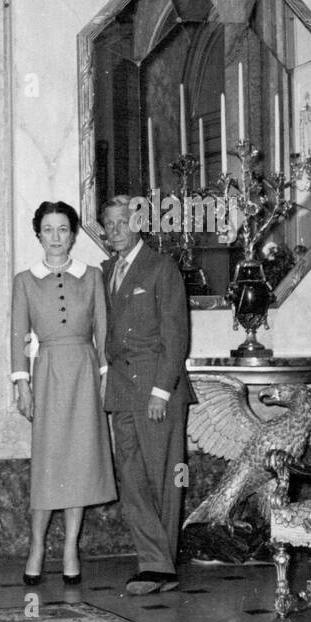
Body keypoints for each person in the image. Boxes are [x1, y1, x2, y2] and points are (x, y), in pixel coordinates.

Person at [10, 201, 116, 586]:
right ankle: (36, 546)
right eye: (48, 230)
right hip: (48, 373)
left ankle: (71, 546)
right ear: (38, 234)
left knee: (80, 462)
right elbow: (19, 335)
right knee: (49, 463)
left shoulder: (91, 277)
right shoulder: (24, 280)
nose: (56, 238)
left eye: (63, 230)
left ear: (73, 235)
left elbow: (102, 331)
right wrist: (21, 382)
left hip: (85, 372)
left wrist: (106, 375)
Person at [100, 195, 196, 595]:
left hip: (158, 391)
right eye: (110, 224)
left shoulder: (161, 267)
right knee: (132, 477)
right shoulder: (106, 270)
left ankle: (160, 566)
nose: (116, 230)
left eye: (123, 222)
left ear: (137, 223)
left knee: (163, 478)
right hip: (121, 392)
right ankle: (153, 562)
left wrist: (160, 391)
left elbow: (175, 336)